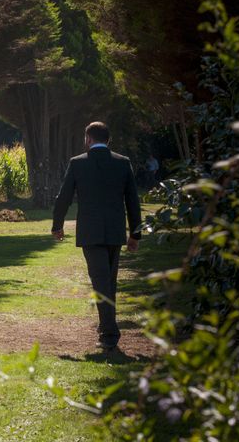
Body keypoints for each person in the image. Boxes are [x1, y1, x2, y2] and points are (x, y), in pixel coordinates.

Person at [51, 121, 142, 351]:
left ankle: (110, 333)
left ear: (88, 139)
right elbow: (132, 200)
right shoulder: (123, 163)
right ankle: (106, 327)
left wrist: (57, 225)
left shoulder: (78, 163)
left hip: (90, 230)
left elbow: (64, 197)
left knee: (102, 280)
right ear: (108, 140)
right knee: (108, 279)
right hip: (114, 230)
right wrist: (136, 234)